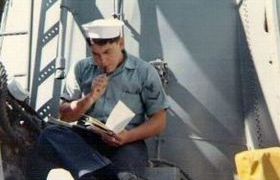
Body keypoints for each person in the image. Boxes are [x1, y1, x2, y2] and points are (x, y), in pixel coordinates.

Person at [35, 18, 169, 180]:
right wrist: (90, 98)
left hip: (127, 141)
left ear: (121, 44)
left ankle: (92, 172)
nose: (102, 61)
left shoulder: (144, 72)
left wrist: (127, 136)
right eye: (96, 54)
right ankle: (99, 171)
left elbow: (159, 121)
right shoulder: (81, 69)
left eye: (107, 53)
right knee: (50, 134)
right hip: (85, 139)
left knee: (125, 176)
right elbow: (65, 115)